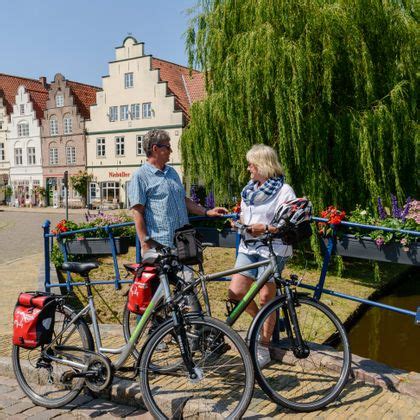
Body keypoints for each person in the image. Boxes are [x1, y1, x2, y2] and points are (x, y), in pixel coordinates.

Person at [228, 144, 296, 367]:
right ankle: (258, 326)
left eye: (252, 164)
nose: (249, 168)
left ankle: (263, 345)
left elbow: (289, 223)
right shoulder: (249, 190)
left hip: (273, 248)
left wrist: (266, 229)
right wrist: (239, 224)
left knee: (267, 298)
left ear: (264, 165)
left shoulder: (284, 190)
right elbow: (246, 217)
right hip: (248, 246)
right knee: (236, 292)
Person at [128, 129, 227, 253]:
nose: (171, 151)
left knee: (188, 273)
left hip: (184, 242)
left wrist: (207, 212)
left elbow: (183, 199)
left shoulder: (172, 172)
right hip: (160, 246)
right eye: (168, 147)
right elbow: (137, 212)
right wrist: (145, 245)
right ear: (155, 149)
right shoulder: (140, 176)